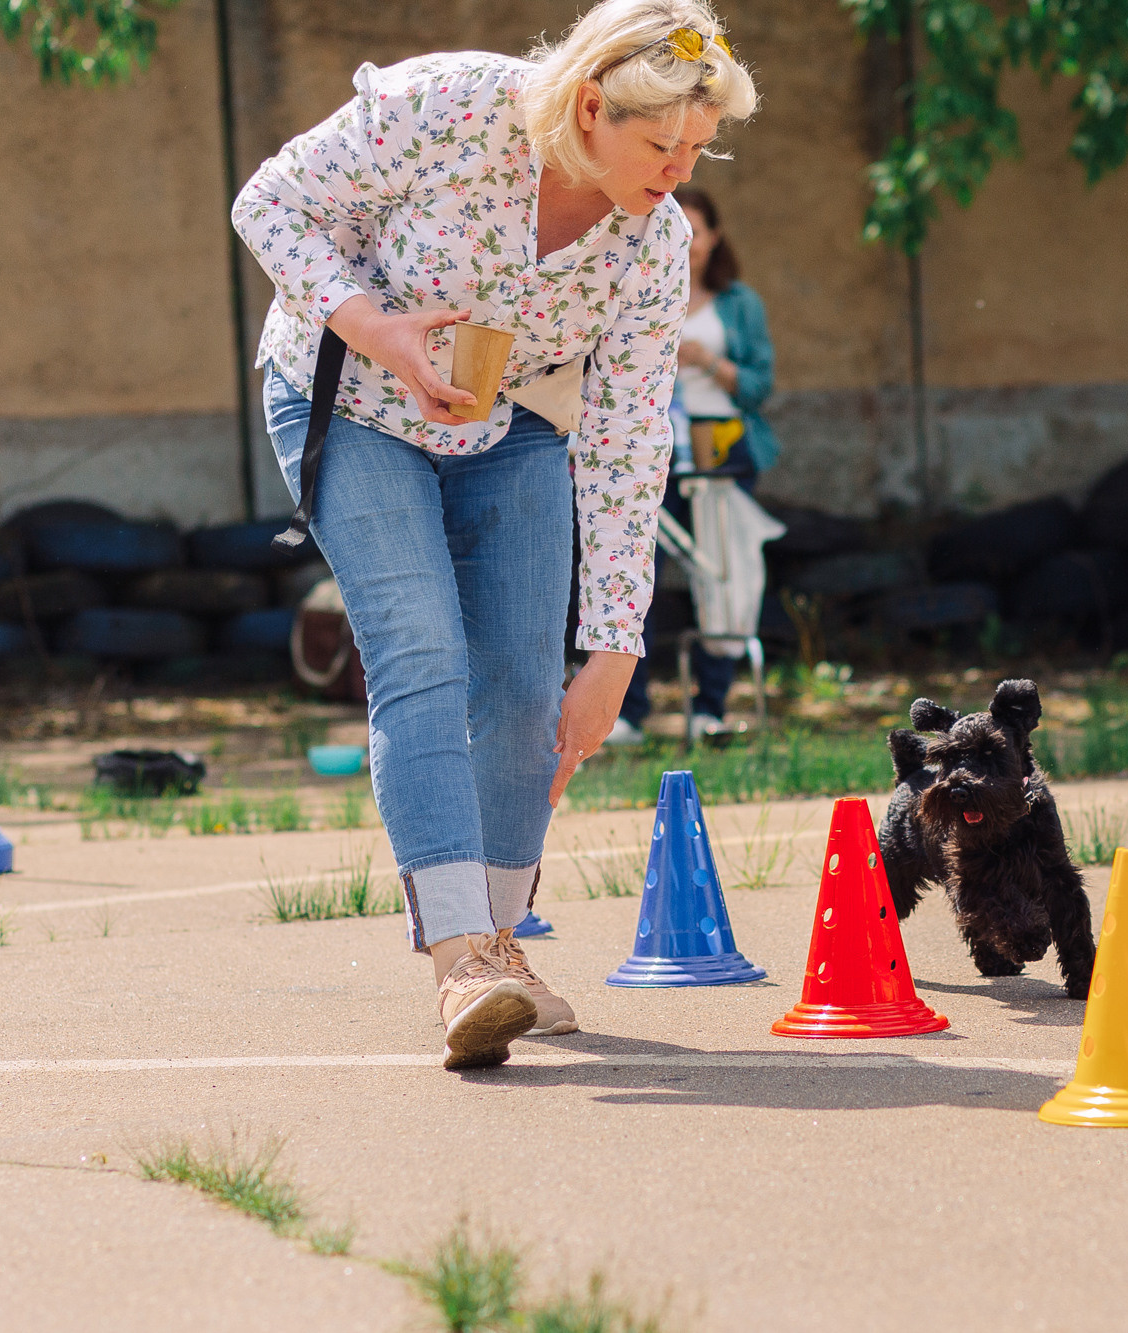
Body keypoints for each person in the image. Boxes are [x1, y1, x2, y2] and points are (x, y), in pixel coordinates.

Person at [232, 1, 757, 1070]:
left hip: (508, 424)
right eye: (659, 146)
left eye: (697, 151)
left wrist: (615, 648)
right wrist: (370, 323)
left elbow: (622, 446)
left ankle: (504, 945)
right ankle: (460, 959)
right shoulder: (449, 108)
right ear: (589, 104)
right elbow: (270, 203)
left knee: (525, 686)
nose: (675, 175)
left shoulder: (650, 245)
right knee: (419, 652)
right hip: (349, 402)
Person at [611, 187, 779, 742]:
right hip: (646, 450)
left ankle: (711, 708)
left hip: (719, 448)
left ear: (713, 237)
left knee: (721, 575)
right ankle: (627, 712)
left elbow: (760, 386)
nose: (686, 241)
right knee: (632, 577)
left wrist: (708, 361)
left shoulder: (738, 303)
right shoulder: (633, 287)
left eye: (696, 230)